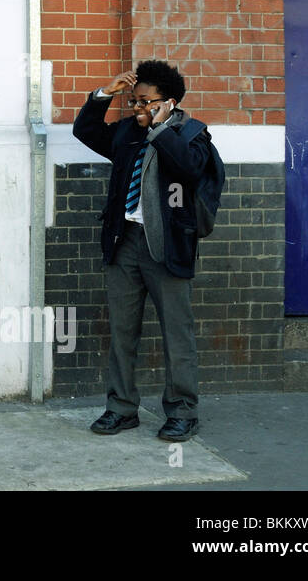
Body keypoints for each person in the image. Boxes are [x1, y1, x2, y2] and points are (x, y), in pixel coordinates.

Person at [72, 60, 213, 442]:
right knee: (121, 332)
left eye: (145, 102)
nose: (137, 108)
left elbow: (189, 169)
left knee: (176, 333)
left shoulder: (191, 135)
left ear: (167, 102)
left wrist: (160, 128)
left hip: (166, 247)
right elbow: (85, 130)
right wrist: (106, 94)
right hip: (125, 243)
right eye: (133, 101)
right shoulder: (125, 134)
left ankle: (183, 411)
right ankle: (121, 409)